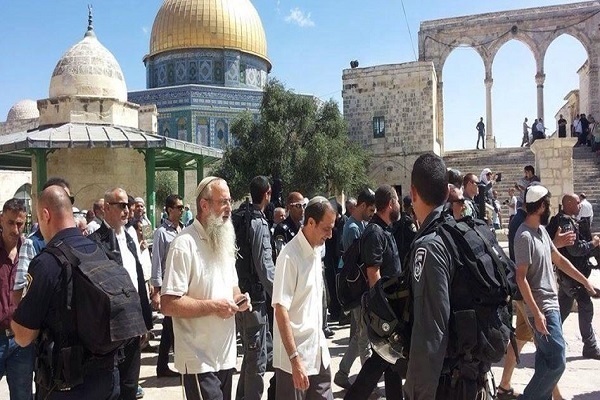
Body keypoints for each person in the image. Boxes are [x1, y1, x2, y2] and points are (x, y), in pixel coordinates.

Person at [11, 185, 120, 400]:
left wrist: (14, 322)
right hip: (108, 378)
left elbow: (23, 336)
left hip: (67, 385)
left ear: (45, 215)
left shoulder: (46, 263)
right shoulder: (100, 250)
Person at [161, 176, 251, 400]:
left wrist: (240, 299)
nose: (229, 208)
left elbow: (232, 286)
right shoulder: (184, 244)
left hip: (226, 356)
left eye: (230, 201)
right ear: (204, 205)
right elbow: (169, 303)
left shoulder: (223, 239)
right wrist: (213, 307)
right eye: (223, 202)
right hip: (198, 359)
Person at [404, 153, 480, 398]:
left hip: (446, 382)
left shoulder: (429, 247)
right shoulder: (462, 232)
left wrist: (415, 393)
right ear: (447, 192)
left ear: (413, 193)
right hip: (472, 374)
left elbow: (430, 331)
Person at [514, 185, 597, 400]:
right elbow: (521, 278)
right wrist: (536, 313)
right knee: (558, 360)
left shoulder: (541, 231)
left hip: (551, 305)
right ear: (541, 206)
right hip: (542, 308)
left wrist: (585, 281)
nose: (551, 208)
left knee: (545, 361)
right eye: (548, 204)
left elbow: (559, 260)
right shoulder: (524, 236)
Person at [88, 188, 153, 400]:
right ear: (107, 208)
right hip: (111, 328)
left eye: (128, 206)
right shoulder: (96, 241)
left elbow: (138, 279)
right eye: (122, 206)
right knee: (110, 388)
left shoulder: (129, 237)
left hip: (133, 324)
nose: (127, 210)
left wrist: (145, 321)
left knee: (130, 385)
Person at [272, 196, 335, 400]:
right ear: (311, 223)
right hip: (294, 361)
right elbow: (280, 310)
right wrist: (294, 359)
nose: (330, 235)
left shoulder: (316, 251)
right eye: (326, 229)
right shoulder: (289, 257)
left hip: (318, 354)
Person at [345, 185, 403, 400]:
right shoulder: (375, 233)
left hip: (391, 308)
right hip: (384, 311)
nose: (399, 205)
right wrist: (383, 313)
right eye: (397, 201)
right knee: (380, 360)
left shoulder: (384, 229)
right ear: (391, 204)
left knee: (392, 359)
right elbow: (373, 273)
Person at [235, 176, 276, 400]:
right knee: (257, 359)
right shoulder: (257, 222)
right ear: (267, 193)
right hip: (255, 301)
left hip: (242, 296)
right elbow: (264, 266)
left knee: (250, 356)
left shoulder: (241, 217)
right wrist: (279, 295)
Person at [546, 194, 600, 359]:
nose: (580, 205)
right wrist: (593, 244)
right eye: (577, 202)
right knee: (586, 306)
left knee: (563, 308)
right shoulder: (565, 223)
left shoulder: (564, 220)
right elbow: (575, 250)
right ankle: (590, 346)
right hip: (571, 276)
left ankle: (547, 339)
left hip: (567, 276)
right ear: (568, 204)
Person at [334, 189, 376, 390]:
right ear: (362, 206)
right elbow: (356, 262)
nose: (372, 213)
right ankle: (367, 386)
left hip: (360, 289)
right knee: (363, 338)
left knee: (359, 334)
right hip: (357, 290)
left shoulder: (359, 225)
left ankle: (342, 373)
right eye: (370, 209)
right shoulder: (352, 228)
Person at [0, 198, 34, 400]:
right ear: (1, 220)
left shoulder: (29, 251)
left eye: (20, 223)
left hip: (21, 340)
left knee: (22, 395)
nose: (15, 229)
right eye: (10, 222)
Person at [150, 194, 184, 378]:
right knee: (172, 326)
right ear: (169, 210)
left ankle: (163, 365)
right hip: (168, 285)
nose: (181, 211)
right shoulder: (161, 233)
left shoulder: (183, 229)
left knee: (169, 327)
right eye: (178, 207)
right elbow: (156, 261)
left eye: (182, 207)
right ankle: (178, 365)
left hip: (182, 284)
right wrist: (156, 291)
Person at [273, 192, 306, 257]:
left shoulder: (303, 228)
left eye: (304, 206)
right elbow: (281, 255)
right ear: (289, 207)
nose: (302, 209)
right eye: (298, 206)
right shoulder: (282, 229)